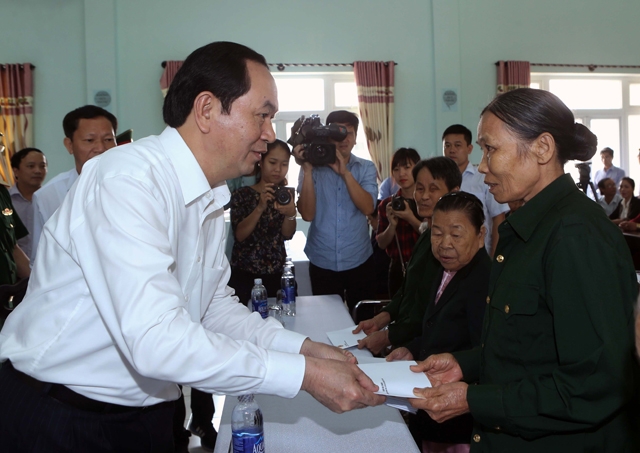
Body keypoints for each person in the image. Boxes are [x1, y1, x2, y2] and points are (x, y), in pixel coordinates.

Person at [0, 41, 384, 453]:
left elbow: (212, 309)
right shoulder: (127, 181)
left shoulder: (207, 195)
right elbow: (156, 339)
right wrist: (304, 375)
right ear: (206, 110)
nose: (271, 134)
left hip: (146, 413)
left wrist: (306, 350)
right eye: (263, 115)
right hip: (62, 414)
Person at [411, 88, 639, 452]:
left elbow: (593, 384)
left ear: (542, 149)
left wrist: (473, 399)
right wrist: (463, 365)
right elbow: (529, 347)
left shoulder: (575, 235)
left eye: (491, 149)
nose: (481, 166)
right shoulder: (526, 227)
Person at [387, 191, 490, 453]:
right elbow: (439, 326)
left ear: (481, 235)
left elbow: (485, 353)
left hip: (456, 419)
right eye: (437, 233)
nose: (444, 244)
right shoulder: (445, 268)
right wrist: (411, 349)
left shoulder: (483, 281)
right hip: (432, 408)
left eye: (456, 235)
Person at [354, 157, 461, 355]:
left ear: (453, 192)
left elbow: (428, 310)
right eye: (419, 188)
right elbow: (407, 290)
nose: (424, 196)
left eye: (433, 189)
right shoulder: (427, 234)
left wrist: (388, 336)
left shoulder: (452, 247)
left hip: (430, 350)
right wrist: (382, 318)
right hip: (406, 340)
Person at [295, 110, 378, 313]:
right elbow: (307, 214)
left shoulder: (366, 167)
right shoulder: (312, 167)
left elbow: (368, 207)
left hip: (359, 258)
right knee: (326, 319)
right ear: (327, 136)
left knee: (364, 318)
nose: (344, 139)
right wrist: (307, 170)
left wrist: (344, 173)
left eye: (349, 133)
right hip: (321, 258)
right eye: (338, 133)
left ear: (355, 138)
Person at [30, 105, 117, 261]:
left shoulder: (133, 186)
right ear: (69, 145)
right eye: (90, 140)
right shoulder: (48, 196)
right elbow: (40, 257)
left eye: (108, 140)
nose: (101, 148)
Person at [228, 139, 296, 304]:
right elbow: (240, 235)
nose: (278, 169)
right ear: (261, 162)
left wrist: (290, 214)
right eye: (272, 162)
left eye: (284, 164)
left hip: (276, 273)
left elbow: (287, 234)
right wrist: (259, 207)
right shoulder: (242, 195)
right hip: (245, 275)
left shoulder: (285, 195)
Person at [442, 124, 508, 256]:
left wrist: (494, 256)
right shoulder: (438, 181)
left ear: (469, 148)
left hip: (479, 253)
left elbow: (498, 218)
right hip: (446, 251)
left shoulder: (483, 178)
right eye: (447, 146)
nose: (452, 150)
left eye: (457, 145)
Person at [376, 147, 422, 297]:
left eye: (407, 167)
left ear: (418, 168)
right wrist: (392, 225)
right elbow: (381, 243)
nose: (401, 173)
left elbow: (433, 235)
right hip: (398, 268)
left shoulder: (427, 201)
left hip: (426, 266)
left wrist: (410, 218)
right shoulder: (387, 205)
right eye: (396, 169)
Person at [9, 147, 47, 258]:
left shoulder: (51, 198)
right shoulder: (6, 201)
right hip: (12, 265)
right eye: (31, 166)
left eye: (42, 166)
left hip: (44, 263)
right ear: (16, 171)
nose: (38, 171)